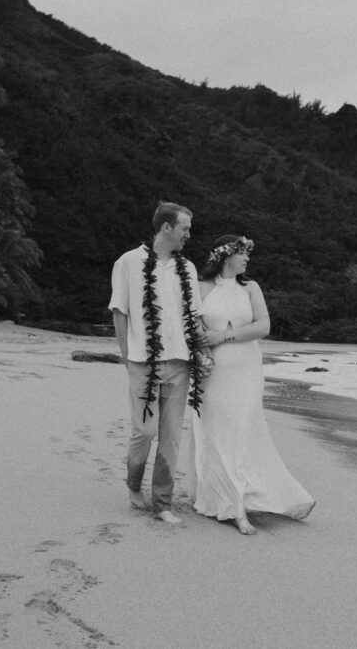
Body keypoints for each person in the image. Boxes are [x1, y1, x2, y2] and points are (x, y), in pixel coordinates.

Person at [194, 234, 315, 535]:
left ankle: (241, 499)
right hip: (214, 371)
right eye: (243, 253)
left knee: (242, 431)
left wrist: (222, 336)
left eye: (248, 254)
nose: (247, 258)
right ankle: (227, 502)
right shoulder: (201, 287)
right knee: (216, 432)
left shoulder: (251, 288)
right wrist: (203, 351)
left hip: (247, 369)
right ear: (225, 256)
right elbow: (193, 327)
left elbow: (264, 326)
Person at [108, 202, 206, 524]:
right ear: (166, 227)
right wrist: (127, 355)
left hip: (180, 361)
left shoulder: (187, 269)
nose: (188, 235)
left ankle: (162, 502)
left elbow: (194, 317)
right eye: (184, 228)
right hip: (142, 361)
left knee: (171, 435)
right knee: (144, 431)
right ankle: (134, 483)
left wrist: (202, 352)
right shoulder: (128, 263)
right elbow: (120, 312)